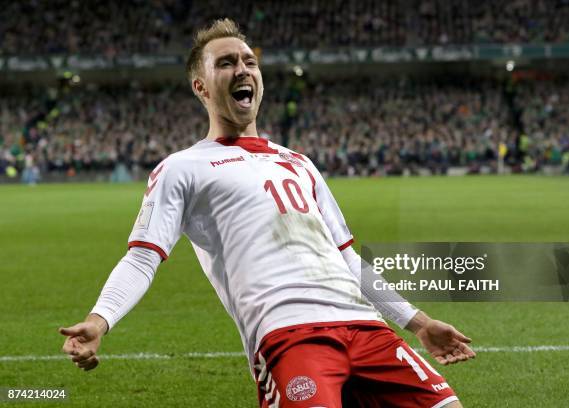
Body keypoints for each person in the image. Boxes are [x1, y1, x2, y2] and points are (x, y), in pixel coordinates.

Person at [59, 19, 475, 407]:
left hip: (369, 329)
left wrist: (418, 323)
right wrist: (100, 320)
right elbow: (143, 257)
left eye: (249, 61)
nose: (242, 69)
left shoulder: (300, 163)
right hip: (289, 336)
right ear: (201, 87)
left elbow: (348, 258)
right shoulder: (182, 167)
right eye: (226, 63)